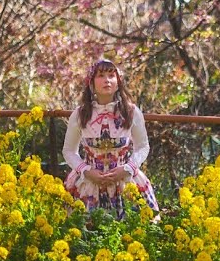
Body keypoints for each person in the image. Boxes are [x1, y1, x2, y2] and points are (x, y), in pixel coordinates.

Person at [62, 58, 158, 219]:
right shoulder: (80, 114)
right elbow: (69, 150)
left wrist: (127, 168)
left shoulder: (131, 112)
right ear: (91, 83)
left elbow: (143, 146)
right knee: (83, 235)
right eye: (100, 75)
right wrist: (86, 171)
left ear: (118, 81)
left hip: (125, 181)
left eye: (111, 75)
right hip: (88, 184)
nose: (107, 80)